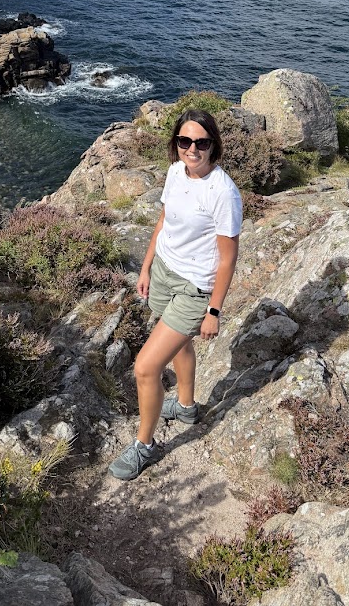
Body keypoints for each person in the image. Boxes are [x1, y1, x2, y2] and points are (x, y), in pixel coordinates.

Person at [108, 108, 242, 481]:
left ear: (213, 145)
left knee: (146, 367)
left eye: (201, 142)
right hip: (165, 273)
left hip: (194, 288)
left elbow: (228, 259)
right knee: (180, 344)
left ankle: (145, 445)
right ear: (176, 143)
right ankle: (185, 406)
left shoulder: (222, 192)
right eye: (185, 141)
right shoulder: (174, 172)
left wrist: (213, 311)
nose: (192, 149)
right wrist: (147, 266)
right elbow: (164, 222)